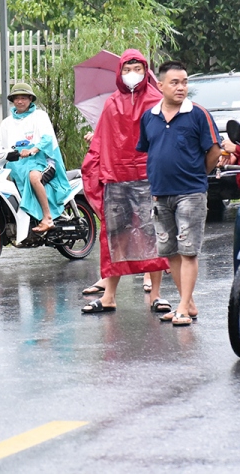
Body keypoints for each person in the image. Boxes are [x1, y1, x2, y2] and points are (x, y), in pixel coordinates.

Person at [79, 50, 171, 314]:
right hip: (116, 179)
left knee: (153, 235)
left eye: (137, 67)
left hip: (148, 178)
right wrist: (95, 169)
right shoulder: (111, 104)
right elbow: (101, 141)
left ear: (146, 70)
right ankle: (109, 296)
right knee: (115, 238)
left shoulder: (156, 101)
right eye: (128, 68)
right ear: (121, 72)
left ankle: (156, 295)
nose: (133, 73)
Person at [138, 61, 221, 327]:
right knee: (171, 251)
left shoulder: (198, 114)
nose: (181, 87)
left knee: (188, 252)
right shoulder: (149, 117)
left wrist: (198, 176)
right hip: (160, 194)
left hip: (191, 193)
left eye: (184, 82)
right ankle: (189, 303)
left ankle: (183, 307)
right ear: (160, 86)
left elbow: (214, 151)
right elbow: (148, 150)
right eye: (174, 82)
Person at [0, 83, 71, 233]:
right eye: (16, 98)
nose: (20, 101)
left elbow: (47, 138)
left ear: (30, 99)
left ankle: (47, 218)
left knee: (33, 177)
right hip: (17, 165)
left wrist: (33, 149)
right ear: (12, 100)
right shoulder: (7, 123)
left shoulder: (40, 116)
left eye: (23, 98)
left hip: (43, 161)